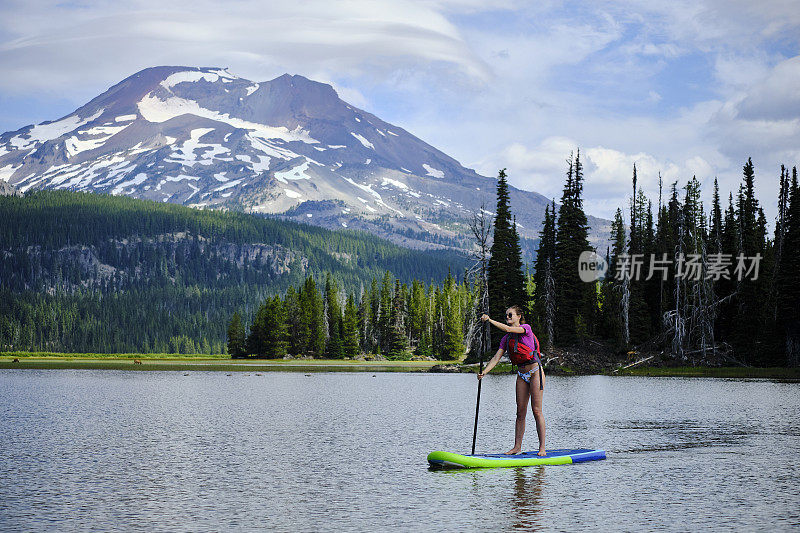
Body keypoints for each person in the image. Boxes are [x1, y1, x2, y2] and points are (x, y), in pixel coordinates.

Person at [478, 305, 546, 456]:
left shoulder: (525, 328)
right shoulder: (506, 339)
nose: (507, 317)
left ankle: (542, 448)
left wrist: (489, 320)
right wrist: (484, 372)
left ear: (518, 317)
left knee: (536, 411)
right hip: (521, 375)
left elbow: (508, 329)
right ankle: (517, 447)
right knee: (520, 413)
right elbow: (496, 358)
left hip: (535, 372)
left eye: (510, 315)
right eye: (506, 315)